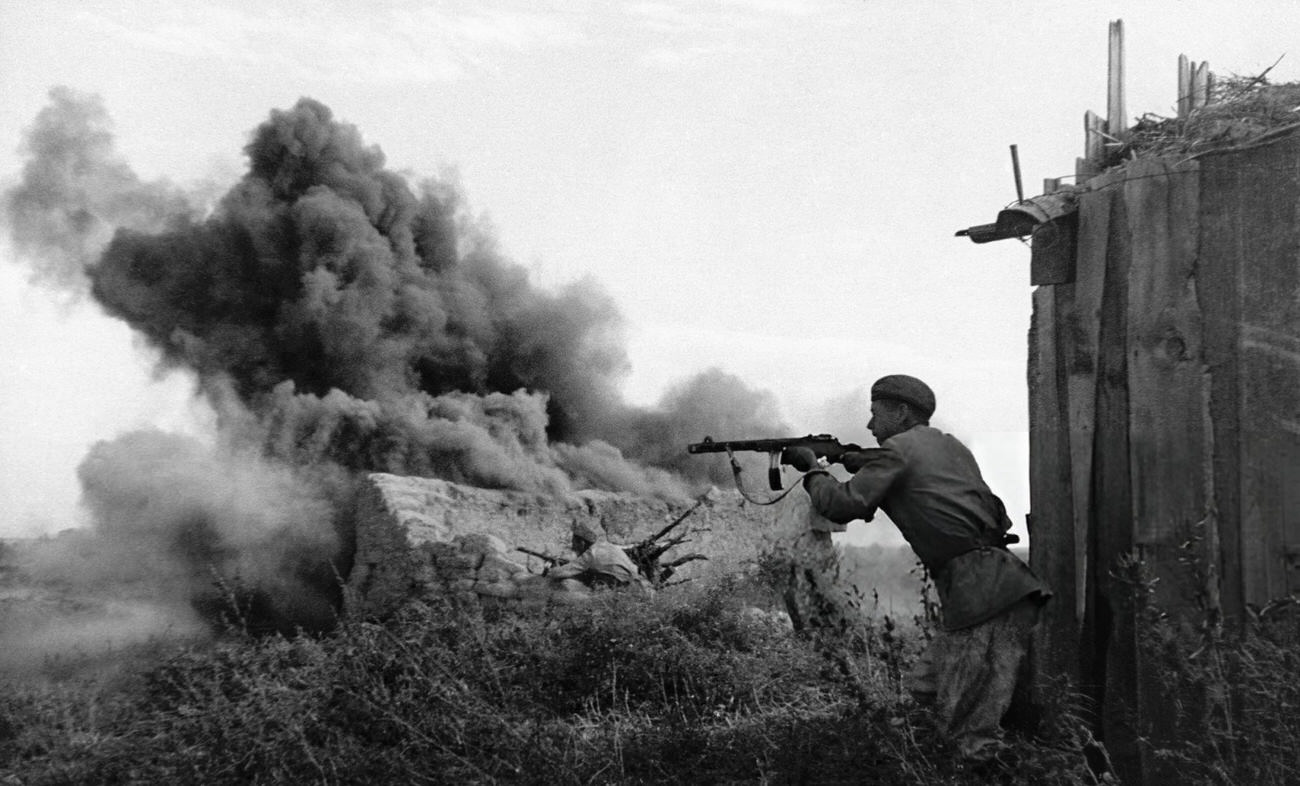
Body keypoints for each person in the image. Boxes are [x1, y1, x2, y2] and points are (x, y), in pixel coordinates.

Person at [781, 374, 1050, 762]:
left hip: (982, 596)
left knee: (969, 735)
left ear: (902, 412)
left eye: (875, 415)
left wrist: (813, 471)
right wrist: (857, 459)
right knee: (923, 693)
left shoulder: (897, 452)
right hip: (1001, 588)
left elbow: (843, 505)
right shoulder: (950, 447)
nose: (870, 425)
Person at [546, 520, 651, 591]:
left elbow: (558, 573)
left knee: (566, 583)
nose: (573, 547)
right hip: (642, 584)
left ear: (582, 543)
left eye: (574, 543)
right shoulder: (608, 546)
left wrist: (551, 568)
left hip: (628, 589)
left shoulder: (591, 554)